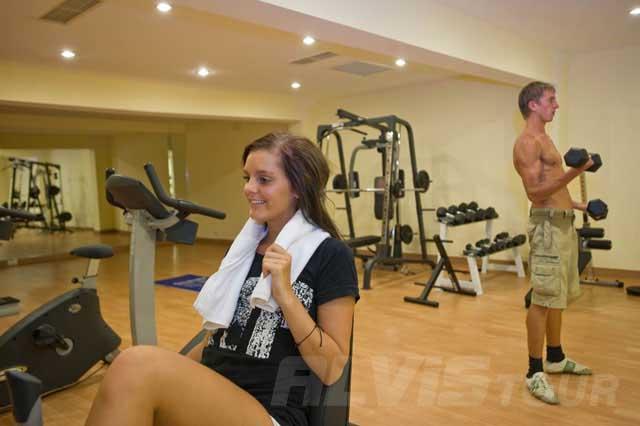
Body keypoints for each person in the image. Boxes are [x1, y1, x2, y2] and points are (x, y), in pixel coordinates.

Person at [86, 132, 359, 426]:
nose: (249, 188)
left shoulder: (331, 255)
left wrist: (286, 297)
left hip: (270, 412)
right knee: (135, 371)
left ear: (299, 187)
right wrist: (171, 372)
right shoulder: (242, 251)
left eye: (264, 179)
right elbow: (215, 336)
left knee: (136, 364)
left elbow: (331, 369)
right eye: (247, 178)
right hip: (215, 395)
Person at [513, 82, 593, 405]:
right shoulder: (526, 143)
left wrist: (581, 206)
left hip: (562, 223)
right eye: (551, 100)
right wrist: (576, 171)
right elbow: (535, 193)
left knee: (557, 296)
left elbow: (554, 188)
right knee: (542, 299)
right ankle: (534, 371)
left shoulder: (546, 139)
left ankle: (555, 357)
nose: (556, 105)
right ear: (533, 105)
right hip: (546, 227)